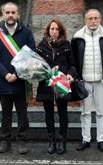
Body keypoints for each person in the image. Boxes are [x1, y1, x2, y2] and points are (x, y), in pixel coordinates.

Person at [0, 2, 36, 154]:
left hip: (21, 81)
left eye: (13, 12)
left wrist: (16, 73)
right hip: (4, 81)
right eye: (7, 12)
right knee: (5, 115)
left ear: (17, 14)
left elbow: (31, 55)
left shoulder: (26, 32)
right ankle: (5, 142)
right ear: (3, 14)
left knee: (22, 115)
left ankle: (22, 141)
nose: (10, 15)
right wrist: (5, 73)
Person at [71, 9, 103, 153]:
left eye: (96, 18)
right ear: (85, 21)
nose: (93, 21)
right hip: (84, 80)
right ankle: (86, 139)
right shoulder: (77, 37)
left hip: (101, 80)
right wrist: (77, 77)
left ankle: (101, 140)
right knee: (85, 112)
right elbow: (74, 60)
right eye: (90, 19)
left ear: (100, 20)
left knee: (101, 111)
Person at [36, 18, 76, 155]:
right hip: (46, 84)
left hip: (61, 83)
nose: (54, 31)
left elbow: (73, 65)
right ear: (48, 30)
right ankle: (52, 141)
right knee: (48, 114)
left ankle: (62, 141)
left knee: (63, 113)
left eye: (56, 29)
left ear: (60, 31)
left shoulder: (67, 45)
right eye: (52, 29)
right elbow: (37, 65)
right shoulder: (41, 46)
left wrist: (70, 74)